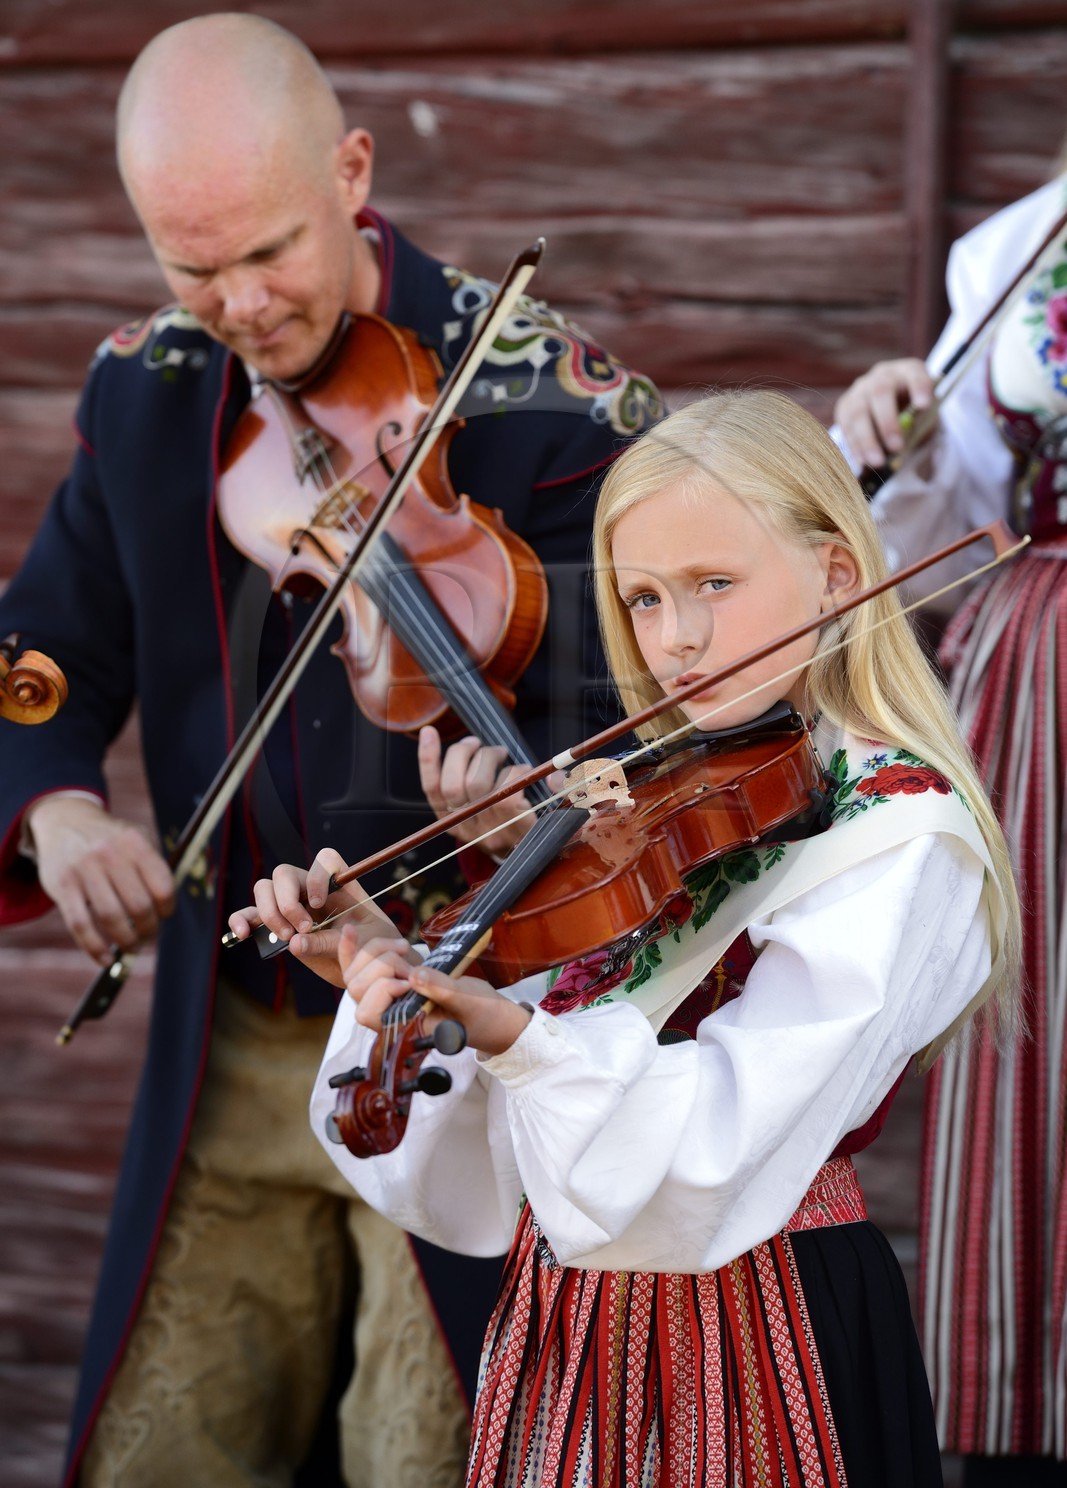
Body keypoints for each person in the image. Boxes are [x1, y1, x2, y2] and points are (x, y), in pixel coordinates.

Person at [0, 12, 663, 1488]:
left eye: (268, 253)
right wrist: (53, 809)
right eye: (190, 265)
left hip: (455, 1039)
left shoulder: (545, 400)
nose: (233, 303)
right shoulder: (148, 392)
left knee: (419, 1453)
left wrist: (521, 806)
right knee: (164, 1448)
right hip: (232, 1037)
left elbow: (653, 706)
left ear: (353, 171)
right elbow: (43, 653)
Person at [241, 391, 1020, 1487]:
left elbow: (717, 1133)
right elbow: (507, 1155)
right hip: (569, 1323)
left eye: (713, 584)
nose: (676, 639)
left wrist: (515, 1029)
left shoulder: (899, 830)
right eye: (643, 599)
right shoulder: (641, 812)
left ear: (839, 575)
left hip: (762, 1317)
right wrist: (398, 967)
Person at [834, 166, 1067, 1485]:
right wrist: (901, 437)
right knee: (1021, 1037)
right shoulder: (1016, 249)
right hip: (1030, 674)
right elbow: (944, 517)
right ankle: (1020, 1429)